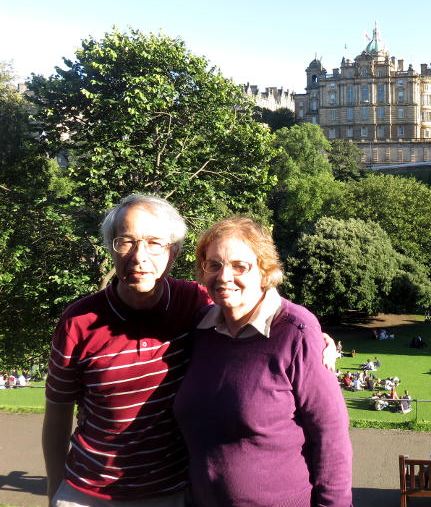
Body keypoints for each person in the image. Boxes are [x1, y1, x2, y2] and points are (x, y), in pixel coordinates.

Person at [42, 195, 336, 507]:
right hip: (87, 495)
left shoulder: (197, 303)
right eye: (125, 241)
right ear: (110, 247)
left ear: (173, 252)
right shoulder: (78, 321)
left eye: (155, 243)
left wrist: (313, 335)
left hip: (171, 493)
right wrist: (54, 490)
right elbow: (57, 414)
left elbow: (252, 308)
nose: (139, 256)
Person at [173, 216, 352, 506]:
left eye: (239, 266)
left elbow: (331, 435)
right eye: (213, 265)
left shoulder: (295, 331)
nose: (224, 276)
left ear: (264, 271)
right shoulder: (199, 328)